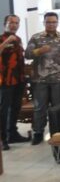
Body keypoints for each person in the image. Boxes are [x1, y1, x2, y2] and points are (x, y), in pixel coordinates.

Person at [25, 12, 60, 145]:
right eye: (48, 22)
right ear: (44, 23)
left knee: (58, 107)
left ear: (57, 23)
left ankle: (57, 131)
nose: (51, 24)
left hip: (59, 80)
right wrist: (39, 51)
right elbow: (27, 54)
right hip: (40, 80)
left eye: (54, 22)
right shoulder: (36, 38)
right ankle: (38, 132)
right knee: (39, 107)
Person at [0, 15, 28, 148]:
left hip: (19, 79)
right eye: (11, 22)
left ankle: (12, 134)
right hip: (5, 81)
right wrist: (6, 42)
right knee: (3, 110)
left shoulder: (18, 39)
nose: (14, 25)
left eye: (17, 23)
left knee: (15, 108)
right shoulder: (1, 38)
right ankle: (2, 139)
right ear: (5, 23)